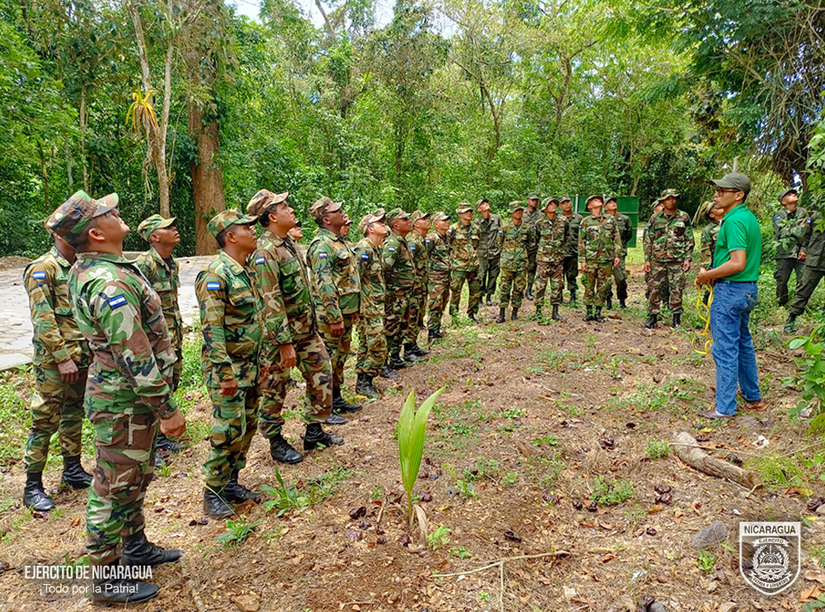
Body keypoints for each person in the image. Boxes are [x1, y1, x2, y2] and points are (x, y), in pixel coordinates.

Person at [55, 190, 186, 604]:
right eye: (107, 213)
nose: (116, 212)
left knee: (133, 480)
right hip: (124, 402)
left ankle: (134, 547)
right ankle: (107, 578)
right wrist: (166, 408)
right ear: (95, 232)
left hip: (126, 400)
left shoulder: (100, 267)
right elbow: (134, 351)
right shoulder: (108, 281)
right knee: (112, 485)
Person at [247, 191, 343, 466]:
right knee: (275, 386)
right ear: (272, 216)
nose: (291, 210)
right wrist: (283, 343)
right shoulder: (266, 250)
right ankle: (275, 440)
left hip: (305, 330)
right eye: (284, 206)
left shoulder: (287, 243)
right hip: (282, 336)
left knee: (322, 373)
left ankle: (313, 430)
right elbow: (270, 299)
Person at [196, 209, 265, 518]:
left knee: (247, 426)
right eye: (247, 227)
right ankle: (212, 492)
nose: (254, 230)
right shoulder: (215, 275)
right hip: (228, 369)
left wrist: (261, 360)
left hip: (249, 365)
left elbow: (255, 320)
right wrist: (224, 374)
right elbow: (212, 330)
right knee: (227, 431)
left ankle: (231, 483)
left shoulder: (246, 270)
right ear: (231, 236)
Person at [22, 231, 93, 512]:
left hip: (83, 355)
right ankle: (32, 486)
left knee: (75, 412)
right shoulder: (43, 268)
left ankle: (73, 469)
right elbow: (43, 318)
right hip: (55, 361)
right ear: (55, 234)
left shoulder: (81, 266)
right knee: (45, 420)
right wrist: (63, 358)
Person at [696, 172, 765, 419]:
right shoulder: (747, 217)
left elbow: (737, 262)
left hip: (731, 289)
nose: (717, 194)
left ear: (739, 195)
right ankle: (752, 395)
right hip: (747, 289)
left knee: (724, 349)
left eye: (723, 191)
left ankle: (724, 408)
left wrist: (708, 274)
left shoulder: (734, 221)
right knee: (743, 343)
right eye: (717, 190)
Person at [134, 214, 186, 464]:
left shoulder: (170, 262)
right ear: (154, 237)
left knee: (171, 382)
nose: (174, 229)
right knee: (153, 392)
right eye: (168, 227)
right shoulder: (144, 264)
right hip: (153, 339)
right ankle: (148, 447)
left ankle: (161, 437)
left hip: (171, 335)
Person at [306, 197, 363, 415]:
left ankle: (336, 398)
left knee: (340, 357)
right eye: (337, 211)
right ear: (327, 219)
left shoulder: (339, 242)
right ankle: (323, 408)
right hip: (331, 316)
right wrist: (334, 316)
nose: (343, 213)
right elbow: (324, 284)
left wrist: (353, 310)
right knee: (327, 360)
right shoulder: (322, 245)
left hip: (346, 312)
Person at [643, 189, 695, 329]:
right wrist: (647, 259)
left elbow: (689, 238)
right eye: (668, 198)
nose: (671, 201)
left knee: (677, 288)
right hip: (657, 259)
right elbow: (649, 239)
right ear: (662, 201)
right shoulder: (655, 218)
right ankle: (653, 317)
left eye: (673, 198)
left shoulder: (683, 217)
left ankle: (676, 319)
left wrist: (687, 258)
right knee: (654, 288)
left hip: (677, 259)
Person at [354, 211, 390, 396]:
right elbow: (355, 279)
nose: (384, 224)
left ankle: (363, 382)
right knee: (377, 346)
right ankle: (365, 379)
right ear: (370, 228)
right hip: (367, 307)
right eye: (379, 223)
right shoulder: (364, 249)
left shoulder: (376, 248)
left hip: (376, 305)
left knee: (366, 346)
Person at [383, 208, 418, 369]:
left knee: (402, 325)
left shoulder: (402, 241)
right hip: (395, 294)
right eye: (404, 219)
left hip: (405, 292)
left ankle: (395, 358)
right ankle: (383, 363)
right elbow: (385, 267)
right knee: (391, 327)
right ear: (395, 225)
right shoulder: (393, 243)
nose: (409, 221)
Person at [578, 195, 621, 322]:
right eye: (595, 200)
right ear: (589, 206)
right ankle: (589, 312)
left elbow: (616, 237)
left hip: (606, 259)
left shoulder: (610, 220)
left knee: (604, 286)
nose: (599, 201)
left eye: (599, 200)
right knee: (588, 285)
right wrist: (582, 260)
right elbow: (581, 241)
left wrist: (617, 255)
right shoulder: (585, 222)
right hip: (591, 259)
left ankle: (598, 312)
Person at [785, 208, 825, 333]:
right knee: (803, 289)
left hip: (816, 259)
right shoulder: (817, 216)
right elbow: (806, 236)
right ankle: (791, 319)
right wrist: (803, 249)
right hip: (815, 260)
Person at [532, 197, 568, 321]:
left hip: (558, 259)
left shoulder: (563, 221)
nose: (553, 206)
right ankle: (538, 311)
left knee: (557, 285)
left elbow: (566, 237)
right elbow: (536, 240)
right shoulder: (539, 223)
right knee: (540, 286)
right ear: (545, 208)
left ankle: (555, 311)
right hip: (543, 259)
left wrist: (560, 251)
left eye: (555, 204)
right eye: (550, 204)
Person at [495, 201, 531, 322]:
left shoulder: (527, 228)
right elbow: (499, 244)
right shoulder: (505, 228)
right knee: (504, 287)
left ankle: (515, 311)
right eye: (516, 211)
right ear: (511, 213)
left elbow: (531, 244)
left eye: (520, 210)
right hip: (507, 263)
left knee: (519, 288)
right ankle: (502, 313)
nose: (519, 213)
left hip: (521, 263)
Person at [773, 188, 807, 307]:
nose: (794, 194)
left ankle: (799, 305)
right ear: (783, 201)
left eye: (794, 193)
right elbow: (782, 232)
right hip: (784, 252)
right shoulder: (779, 215)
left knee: (804, 280)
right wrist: (799, 228)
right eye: (789, 194)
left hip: (800, 251)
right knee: (782, 280)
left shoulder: (803, 212)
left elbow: (807, 233)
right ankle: (781, 304)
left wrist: (804, 250)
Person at [405, 211, 431, 357]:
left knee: (418, 316)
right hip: (414, 287)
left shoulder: (422, 240)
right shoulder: (413, 242)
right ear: (416, 224)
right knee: (412, 317)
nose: (428, 221)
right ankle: (408, 349)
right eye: (424, 219)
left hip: (422, 286)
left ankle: (413, 344)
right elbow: (410, 266)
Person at [448, 204, 482, 321]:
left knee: (475, 292)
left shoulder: (476, 228)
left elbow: (477, 245)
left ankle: (472, 314)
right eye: (466, 212)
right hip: (459, 266)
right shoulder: (453, 229)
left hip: (474, 265)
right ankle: (454, 316)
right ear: (460, 214)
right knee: (456, 291)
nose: (469, 214)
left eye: (470, 212)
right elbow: (448, 245)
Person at [426, 212, 451, 341]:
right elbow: (423, 255)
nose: (447, 222)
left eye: (447, 220)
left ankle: (437, 328)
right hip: (435, 277)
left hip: (446, 276)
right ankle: (431, 332)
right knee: (435, 303)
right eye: (443, 221)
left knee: (443, 301)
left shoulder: (446, 236)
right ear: (436, 224)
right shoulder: (432, 238)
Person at [605, 197, 633, 309]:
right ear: (605, 207)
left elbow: (628, 234)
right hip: (605, 253)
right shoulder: (603, 219)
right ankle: (608, 301)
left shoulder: (624, 219)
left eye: (614, 202)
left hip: (619, 253)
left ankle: (622, 301)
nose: (613, 204)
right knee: (606, 278)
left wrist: (620, 247)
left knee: (621, 278)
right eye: (610, 202)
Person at [475, 198, 501, 306]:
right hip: (482, 253)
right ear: (479, 209)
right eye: (482, 204)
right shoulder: (477, 222)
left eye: (486, 203)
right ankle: (480, 297)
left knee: (493, 275)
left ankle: (489, 296)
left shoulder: (497, 218)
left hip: (494, 252)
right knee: (481, 275)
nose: (486, 204)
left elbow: (501, 233)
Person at [559, 196, 583, 304]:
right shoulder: (558, 219)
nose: (566, 204)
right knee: (559, 275)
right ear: (560, 206)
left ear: (571, 203)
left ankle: (573, 295)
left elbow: (583, 235)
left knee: (572, 274)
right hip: (559, 251)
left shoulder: (579, 219)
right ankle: (559, 296)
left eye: (567, 202)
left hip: (573, 251)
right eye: (563, 203)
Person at [523, 193, 543, 300]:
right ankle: (518, 289)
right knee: (520, 268)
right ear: (528, 201)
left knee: (532, 268)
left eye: (536, 200)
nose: (534, 202)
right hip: (522, 245)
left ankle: (529, 290)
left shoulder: (540, 215)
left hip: (535, 245)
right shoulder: (522, 213)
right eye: (532, 200)